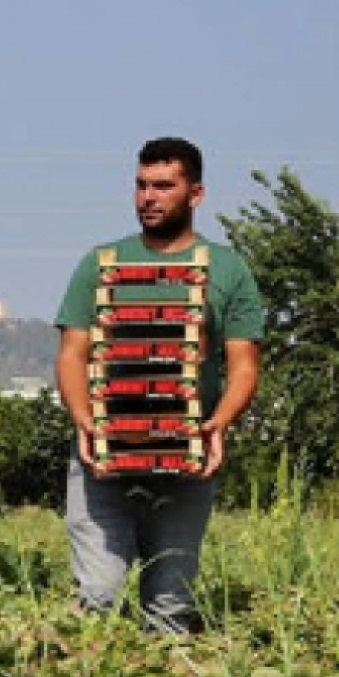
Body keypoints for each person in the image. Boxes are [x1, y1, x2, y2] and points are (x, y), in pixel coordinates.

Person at [53, 136, 264, 634]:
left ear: (196, 194)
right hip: (101, 454)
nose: (149, 197)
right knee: (97, 600)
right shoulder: (99, 265)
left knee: (170, 609)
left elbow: (245, 366)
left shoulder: (228, 270)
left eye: (164, 186)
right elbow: (72, 355)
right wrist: (84, 421)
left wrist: (220, 424)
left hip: (186, 458)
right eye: (142, 186)